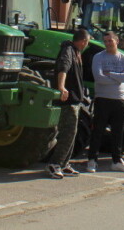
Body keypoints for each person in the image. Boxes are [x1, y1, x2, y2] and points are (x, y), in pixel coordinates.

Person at [87, 31, 124, 173]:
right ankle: (92, 160)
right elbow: (99, 77)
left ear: (116, 41)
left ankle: (116, 160)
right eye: (105, 41)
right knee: (98, 131)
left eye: (110, 41)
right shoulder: (98, 57)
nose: (107, 44)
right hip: (102, 99)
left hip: (119, 99)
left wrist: (111, 74)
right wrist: (118, 79)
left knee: (118, 133)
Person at [48, 29, 89, 179]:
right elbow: (63, 68)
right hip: (69, 100)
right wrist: (61, 87)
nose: (87, 45)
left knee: (73, 133)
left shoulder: (76, 52)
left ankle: (64, 163)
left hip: (76, 99)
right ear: (83, 40)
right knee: (67, 133)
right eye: (87, 42)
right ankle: (55, 164)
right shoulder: (68, 50)